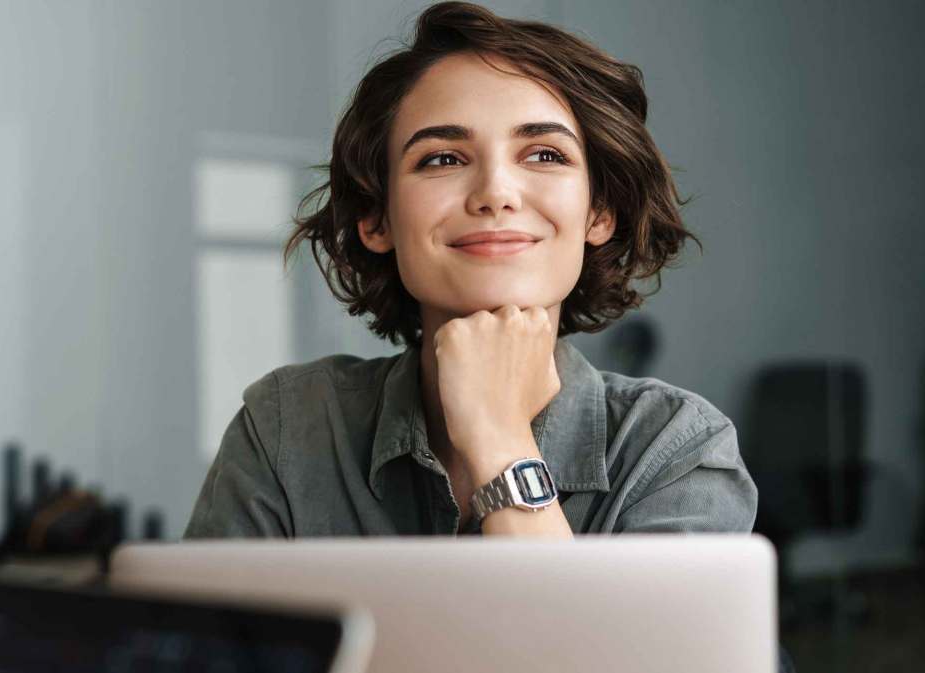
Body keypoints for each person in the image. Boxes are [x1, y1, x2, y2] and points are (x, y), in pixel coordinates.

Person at [184, 1, 757, 541]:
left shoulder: (676, 449)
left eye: (544, 155)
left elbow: (590, 653)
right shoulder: (286, 428)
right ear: (376, 218)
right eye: (442, 159)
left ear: (599, 212)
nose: (495, 194)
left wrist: (499, 438)